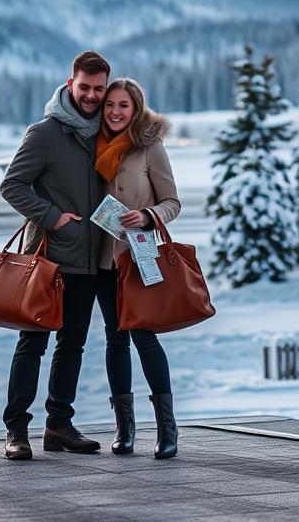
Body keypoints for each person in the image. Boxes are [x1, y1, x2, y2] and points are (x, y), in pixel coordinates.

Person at [0, 51, 110, 460]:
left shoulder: (108, 137)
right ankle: (16, 431)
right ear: (70, 84)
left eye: (99, 89)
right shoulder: (44, 133)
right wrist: (53, 218)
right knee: (32, 344)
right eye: (85, 87)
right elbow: (12, 185)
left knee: (73, 346)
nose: (91, 95)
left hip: (89, 262)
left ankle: (58, 426)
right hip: (47, 262)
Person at [94, 78, 181, 459]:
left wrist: (148, 215)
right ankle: (124, 428)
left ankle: (167, 428)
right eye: (109, 104)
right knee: (115, 340)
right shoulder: (91, 145)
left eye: (123, 105)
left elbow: (173, 202)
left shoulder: (150, 147)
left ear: (136, 109)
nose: (114, 111)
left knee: (144, 338)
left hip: (138, 257)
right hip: (100, 259)